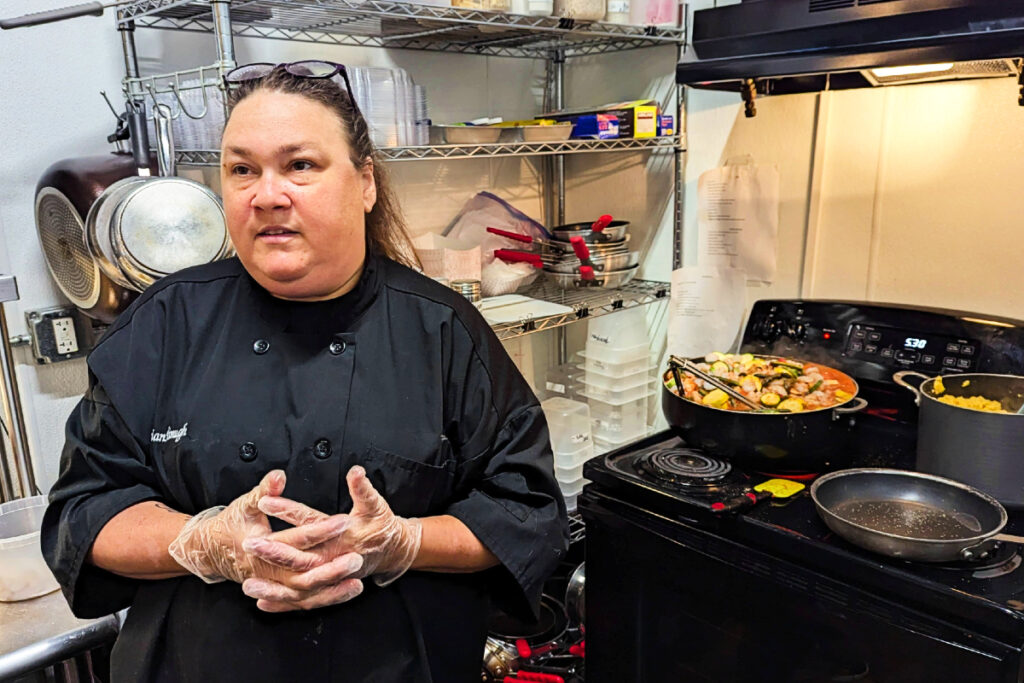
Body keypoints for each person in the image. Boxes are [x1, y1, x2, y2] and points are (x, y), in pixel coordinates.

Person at [41, 61, 569, 682]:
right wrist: (203, 542)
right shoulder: (164, 323)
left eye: (300, 165)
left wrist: (400, 542)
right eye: (242, 169)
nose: (266, 194)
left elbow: (527, 512)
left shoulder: (443, 329)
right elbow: (85, 512)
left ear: (365, 182)